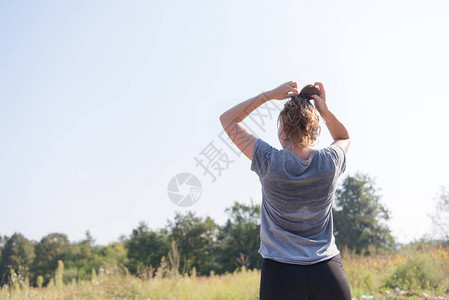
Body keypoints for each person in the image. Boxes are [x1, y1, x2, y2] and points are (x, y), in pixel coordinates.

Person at [219, 81, 351, 300]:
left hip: (281, 274)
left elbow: (228, 120)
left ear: (282, 131)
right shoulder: (330, 161)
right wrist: (324, 111)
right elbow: (343, 137)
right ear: (315, 132)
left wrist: (268, 95)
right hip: (328, 273)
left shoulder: (268, 160)